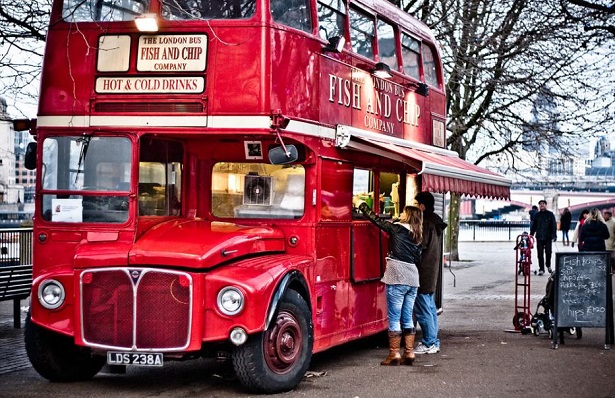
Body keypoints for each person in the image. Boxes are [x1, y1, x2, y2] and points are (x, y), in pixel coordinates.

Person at [353, 197, 423, 366]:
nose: (400, 214)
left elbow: (376, 221)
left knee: (393, 317)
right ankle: (409, 352)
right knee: (407, 317)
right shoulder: (417, 235)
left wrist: (361, 205)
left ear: (407, 216)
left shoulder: (397, 229)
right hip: (413, 278)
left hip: (397, 275)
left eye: (402, 212)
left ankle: (394, 354)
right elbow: (418, 259)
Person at [413, 192, 447, 355]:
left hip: (422, 272)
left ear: (421, 206)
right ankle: (433, 341)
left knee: (423, 309)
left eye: (415, 203)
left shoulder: (426, 223)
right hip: (431, 271)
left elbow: (420, 245)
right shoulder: (435, 221)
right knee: (430, 308)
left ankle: (429, 342)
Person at [529, 200, 557, 275]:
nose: (542, 205)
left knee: (548, 252)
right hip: (539, 236)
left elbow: (553, 225)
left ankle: (548, 265)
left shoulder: (550, 214)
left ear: (546, 205)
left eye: (543, 204)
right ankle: (541, 269)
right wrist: (531, 234)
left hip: (548, 237)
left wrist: (554, 235)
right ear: (539, 206)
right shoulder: (537, 215)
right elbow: (534, 225)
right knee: (540, 254)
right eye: (540, 204)